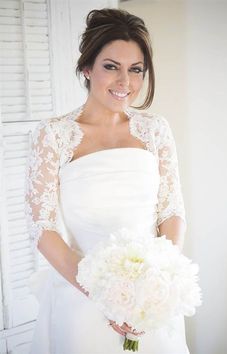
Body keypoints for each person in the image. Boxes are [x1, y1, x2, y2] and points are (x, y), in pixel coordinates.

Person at [25, 8, 189, 354]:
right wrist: (106, 296)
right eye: (111, 67)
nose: (125, 83)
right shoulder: (54, 135)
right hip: (81, 295)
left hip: (150, 301)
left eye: (136, 70)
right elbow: (42, 229)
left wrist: (154, 285)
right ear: (87, 68)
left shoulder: (155, 129)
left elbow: (171, 211)